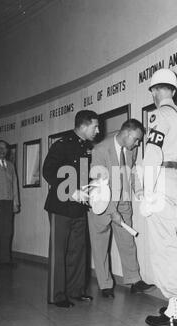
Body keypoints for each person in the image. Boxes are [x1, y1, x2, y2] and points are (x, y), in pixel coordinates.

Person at [141, 69, 177, 326]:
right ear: (173, 90)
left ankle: (175, 308)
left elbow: (152, 153)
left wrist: (146, 191)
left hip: (163, 182)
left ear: (155, 91)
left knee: (165, 247)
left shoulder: (159, 114)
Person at [88, 119, 154, 298]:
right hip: (102, 204)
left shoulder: (131, 149)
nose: (138, 143)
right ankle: (105, 284)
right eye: (137, 139)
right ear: (127, 134)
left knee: (127, 242)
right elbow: (99, 185)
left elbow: (131, 172)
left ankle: (134, 280)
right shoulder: (100, 150)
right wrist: (112, 211)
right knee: (101, 245)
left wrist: (139, 193)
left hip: (123, 201)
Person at [43, 110, 100, 308]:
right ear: (83, 126)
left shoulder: (86, 147)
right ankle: (56, 295)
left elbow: (83, 175)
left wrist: (95, 184)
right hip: (60, 205)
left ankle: (76, 291)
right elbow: (48, 171)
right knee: (59, 251)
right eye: (95, 126)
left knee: (78, 249)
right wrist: (70, 191)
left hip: (79, 206)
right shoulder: (62, 144)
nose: (98, 130)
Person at [0, 140, 20, 266]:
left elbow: (14, 184)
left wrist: (15, 202)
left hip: (8, 202)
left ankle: (6, 259)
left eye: (5, 148)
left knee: (7, 231)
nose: (2, 150)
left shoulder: (11, 165)